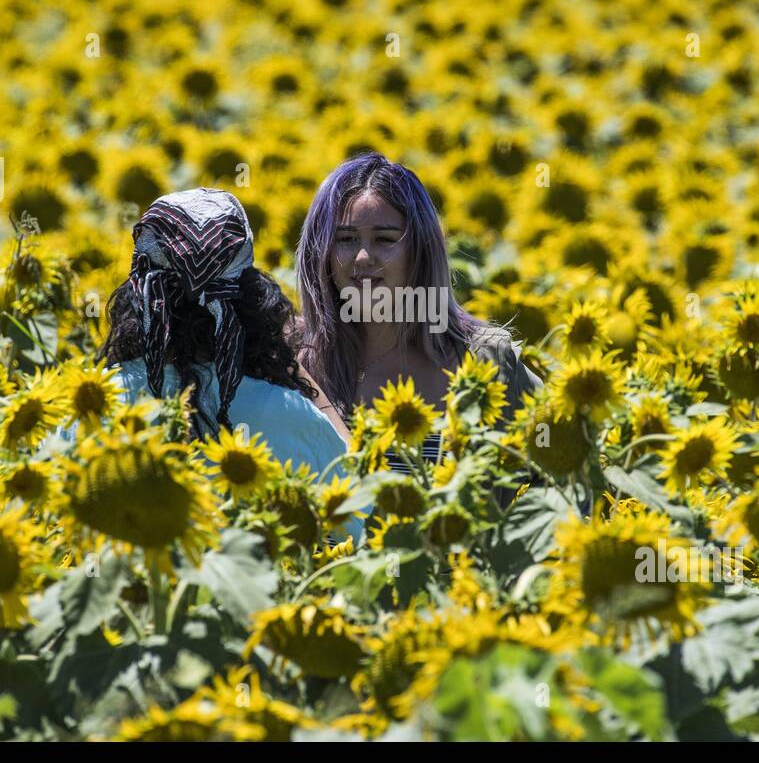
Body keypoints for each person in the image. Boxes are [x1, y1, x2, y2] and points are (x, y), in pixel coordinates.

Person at [97, 187, 359, 542]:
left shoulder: (97, 406)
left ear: (136, 298)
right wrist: (301, 382)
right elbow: (356, 524)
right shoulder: (290, 415)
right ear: (252, 299)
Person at [294, 152, 543, 475]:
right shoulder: (293, 359)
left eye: (384, 239)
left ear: (420, 249)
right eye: (346, 239)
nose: (363, 256)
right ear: (322, 251)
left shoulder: (486, 362)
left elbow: (563, 470)